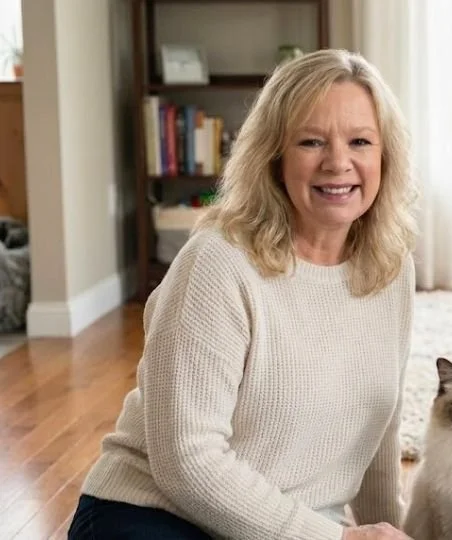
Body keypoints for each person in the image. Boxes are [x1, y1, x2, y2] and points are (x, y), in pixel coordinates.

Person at [67, 49, 418, 540]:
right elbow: (188, 460)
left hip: (292, 528)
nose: (339, 163)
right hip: (158, 515)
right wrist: (335, 539)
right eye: (311, 141)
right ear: (274, 156)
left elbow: (378, 433)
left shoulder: (391, 265)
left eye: (360, 141)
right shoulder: (216, 263)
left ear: (385, 156)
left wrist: (389, 530)